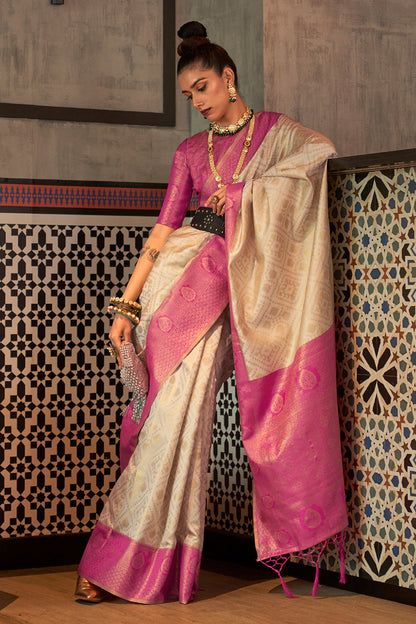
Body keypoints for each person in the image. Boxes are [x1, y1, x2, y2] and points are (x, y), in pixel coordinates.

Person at [75, 21, 347, 605]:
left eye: (202, 88)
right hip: (182, 279)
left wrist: (246, 194)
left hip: (239, 281)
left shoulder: (274, 132)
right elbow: (164, 229)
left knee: (180, 419)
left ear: (229, 77)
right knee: (166, 418)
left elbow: (319, 153)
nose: (196, 102)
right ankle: (124, 558)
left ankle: (124, 562)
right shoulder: (188, 152)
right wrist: (128, 301)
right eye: (187, 95)